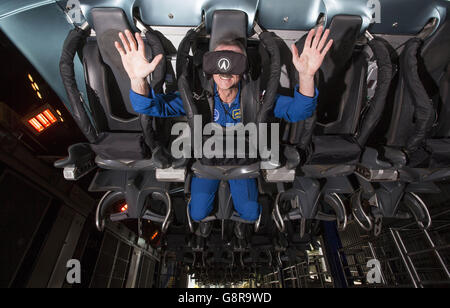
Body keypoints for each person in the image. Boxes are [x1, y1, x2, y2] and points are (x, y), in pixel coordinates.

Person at [114, 27, 333, 225]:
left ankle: (237, 227)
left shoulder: (258, 97)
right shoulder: (198, 96)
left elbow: (300, 111)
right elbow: (151, 107)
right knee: (198, 214)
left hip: (242, 162)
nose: (225, 69)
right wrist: (138, 80)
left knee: (250, 213)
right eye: (219, 60)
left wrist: (306, 76)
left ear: (245, 67)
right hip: (207, 162)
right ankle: (208, 224)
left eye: (234, 61)